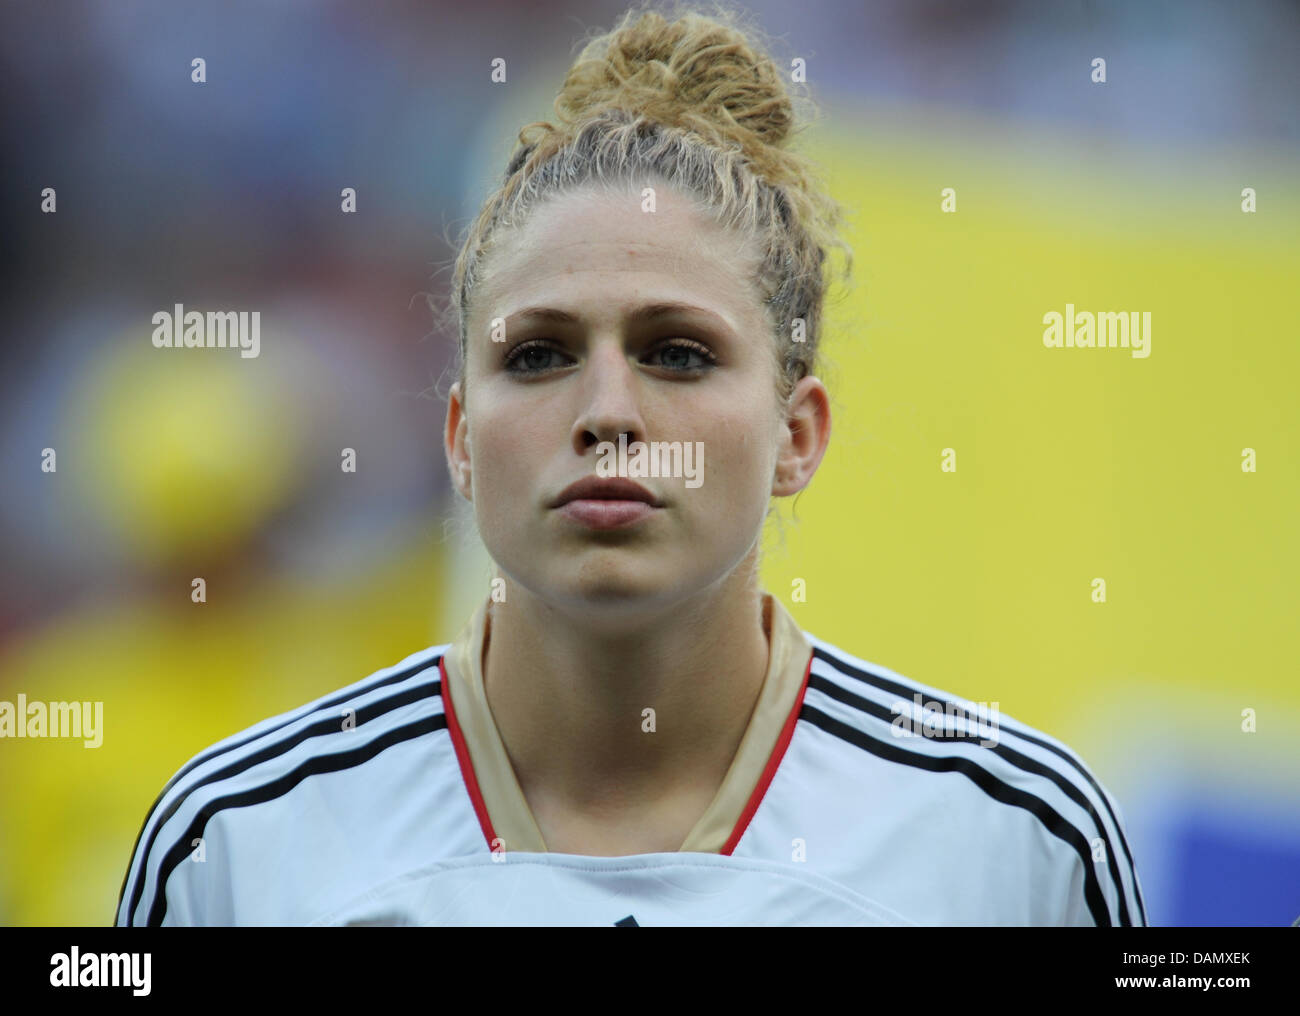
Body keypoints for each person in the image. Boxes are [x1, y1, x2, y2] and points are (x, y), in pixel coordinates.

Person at [116, 2, 1146, 926]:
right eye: (539, 354)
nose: (607, 411)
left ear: (797, 435)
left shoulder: (1018, 842)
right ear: (461, 439)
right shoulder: (237, 842)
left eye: (677, 353)